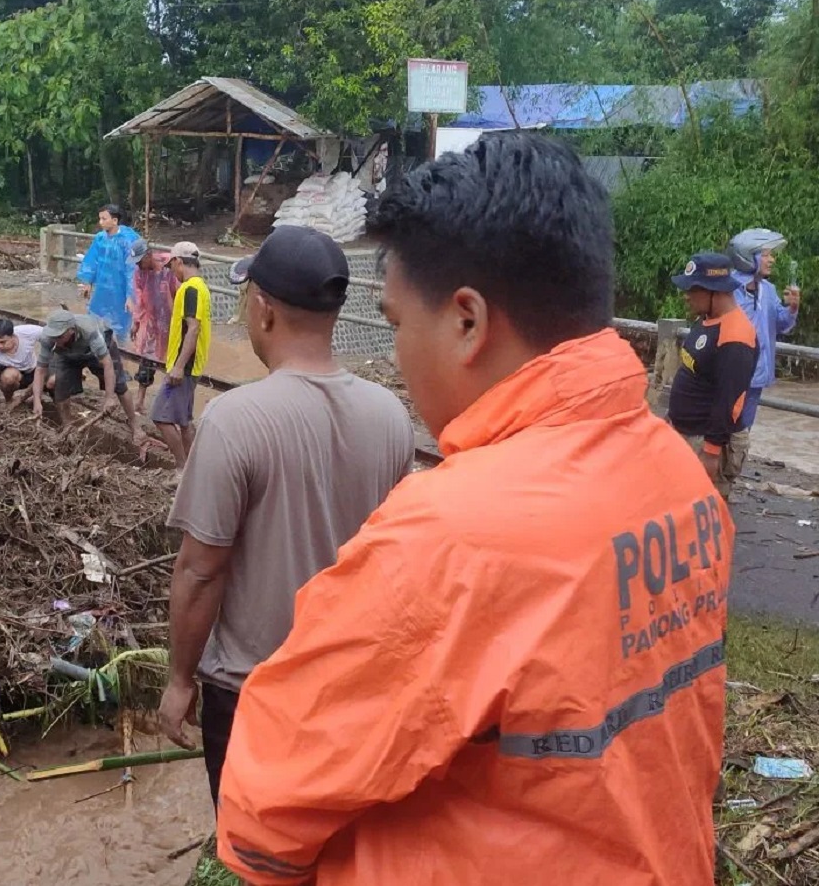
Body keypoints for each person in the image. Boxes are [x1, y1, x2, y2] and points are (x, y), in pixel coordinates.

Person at [216, 133, 734, 886]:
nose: (399, 355)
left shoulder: (449, 539)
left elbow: (263, 810)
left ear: (467, 321)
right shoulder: (679, 478)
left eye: (398, 324)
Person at [160, 224, 415, 806]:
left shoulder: (234, 420)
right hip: (352, 691)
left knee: (257, 845)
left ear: (263, 309)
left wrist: (179, 680)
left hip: (256, 694)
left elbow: (200, 570)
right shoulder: (390, 416)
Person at [667, 253, 759, 499]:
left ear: (715, 292)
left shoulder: (736, 337)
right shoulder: (707, 319)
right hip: (687, 434)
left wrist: (711, 452)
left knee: (702, 512)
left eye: (693, 289)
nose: (686, 295)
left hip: (707, 442)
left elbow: (729, 401)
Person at [728, 228, 801, 437]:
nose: (772, 260)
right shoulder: (728, 290)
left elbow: (781, 324)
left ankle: (736, 459)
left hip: (757, 376)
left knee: (742, 435)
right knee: (723, 430)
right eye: (766, 255)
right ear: (748, 257)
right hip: (732, 375)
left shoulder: (767, 289)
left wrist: (792, 308)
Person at [32, 309, 142, 441]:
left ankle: (135, 424)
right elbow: (40, 370)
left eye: (59, 337)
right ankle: (67, 427)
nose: (55, 340)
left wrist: (109, 397)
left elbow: (107, 364)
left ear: (71, 330)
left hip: (95, 352)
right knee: (60, 389)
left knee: (119, 386)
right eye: (53, 337)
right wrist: (37, 401)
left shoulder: (90, 331)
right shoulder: (48, 339)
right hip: (67, 355)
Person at [149, 241, 209, 470]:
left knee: (159, 416)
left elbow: (193, 329)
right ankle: (194, 470)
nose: (172, 271)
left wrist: (178, 366)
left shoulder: (190, 289)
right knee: (184, 421)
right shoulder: (201, 287)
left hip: (183, 367)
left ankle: (182, 469)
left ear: (179, 262)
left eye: (171, 265)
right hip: (191, 365)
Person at [126, 239, 178, 409]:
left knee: (173, 362)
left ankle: (169, 401)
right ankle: (140, 400)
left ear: (148, 255)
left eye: (140, 261)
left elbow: (180, 292)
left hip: (172, 321)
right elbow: (140, 299)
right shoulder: (139, 273)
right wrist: (136, 321)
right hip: (151, 321)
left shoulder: (169, 266)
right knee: (146, 360)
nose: (138, 265)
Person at [76, 204, 140, 340]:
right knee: (98, 320)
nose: (101, 222)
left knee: (122, 322)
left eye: (104, 219)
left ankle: (121, 345)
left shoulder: (128, 240)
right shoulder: (100, 238)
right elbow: (92, 260)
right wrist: (88, 281)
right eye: (100, 219)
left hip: (120, 289)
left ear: (115, 220)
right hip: (103, 288)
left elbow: (132, 270)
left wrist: (131, 296)